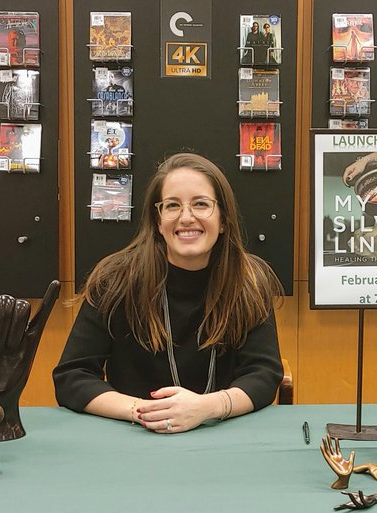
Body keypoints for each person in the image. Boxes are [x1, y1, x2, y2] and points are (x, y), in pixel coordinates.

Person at [54, 152, 284, 433]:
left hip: (222, 433)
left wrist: (207, 408)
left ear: (223, 219)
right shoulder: (114, 280)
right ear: (157, 221)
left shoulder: (250, 280)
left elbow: (264, 374)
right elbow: (72, 376)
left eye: (201, 204)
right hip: (135, 435)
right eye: (172, 205)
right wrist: (145, 412)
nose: (186, 218)